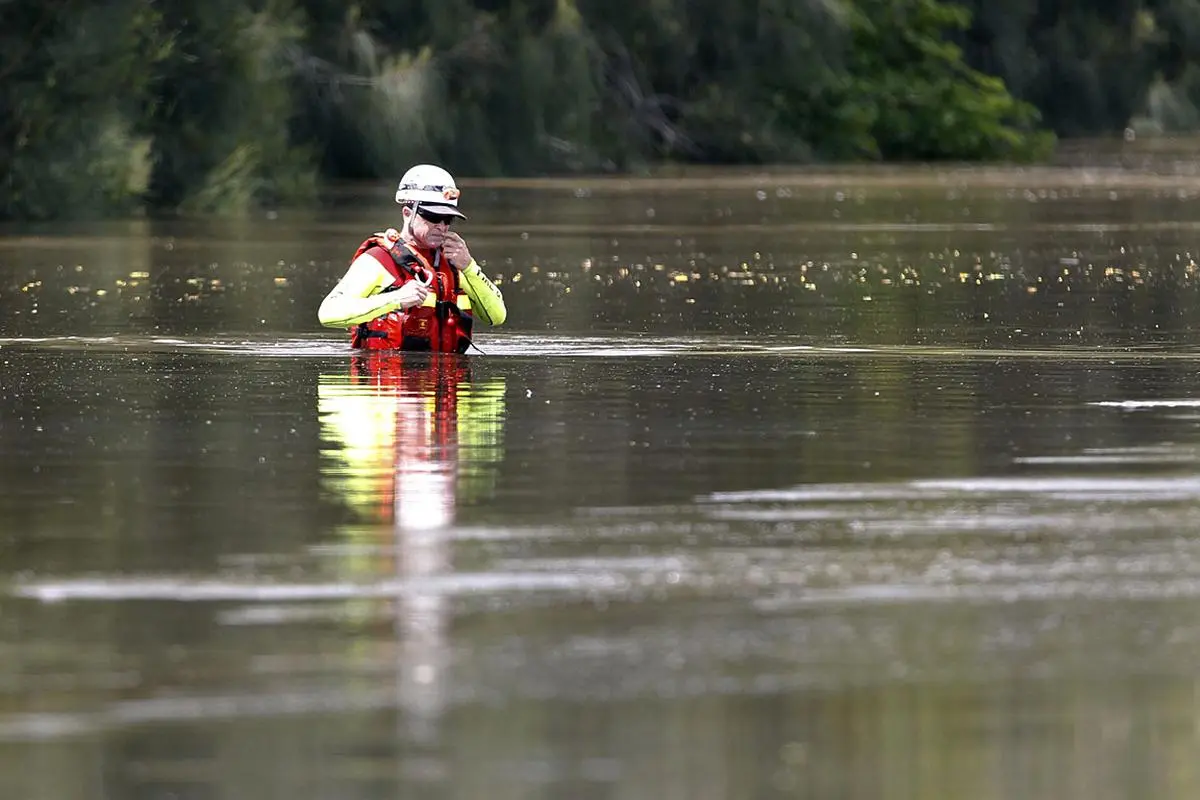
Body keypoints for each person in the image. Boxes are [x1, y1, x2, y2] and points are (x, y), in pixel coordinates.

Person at [318, 164, 507, 352]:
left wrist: (469, 267)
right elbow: (328, 314)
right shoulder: (378, 259)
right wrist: (397, 298)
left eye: (448, 219)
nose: (441, 226)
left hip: (447, 379)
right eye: (433, 217)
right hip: (388, 377)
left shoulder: (454, 263)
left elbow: (497, 316)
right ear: (408, 213)